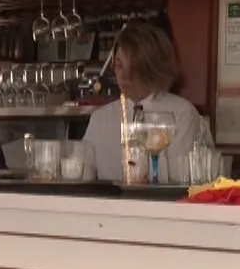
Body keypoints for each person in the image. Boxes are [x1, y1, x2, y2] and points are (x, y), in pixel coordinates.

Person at [85, 22, 203, 183]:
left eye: (133, 68)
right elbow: (83, 173)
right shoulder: (100, 119)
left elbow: (181, 176)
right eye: (119, 65)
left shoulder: (182, 114)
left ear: (153, 68)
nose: (124, 76)